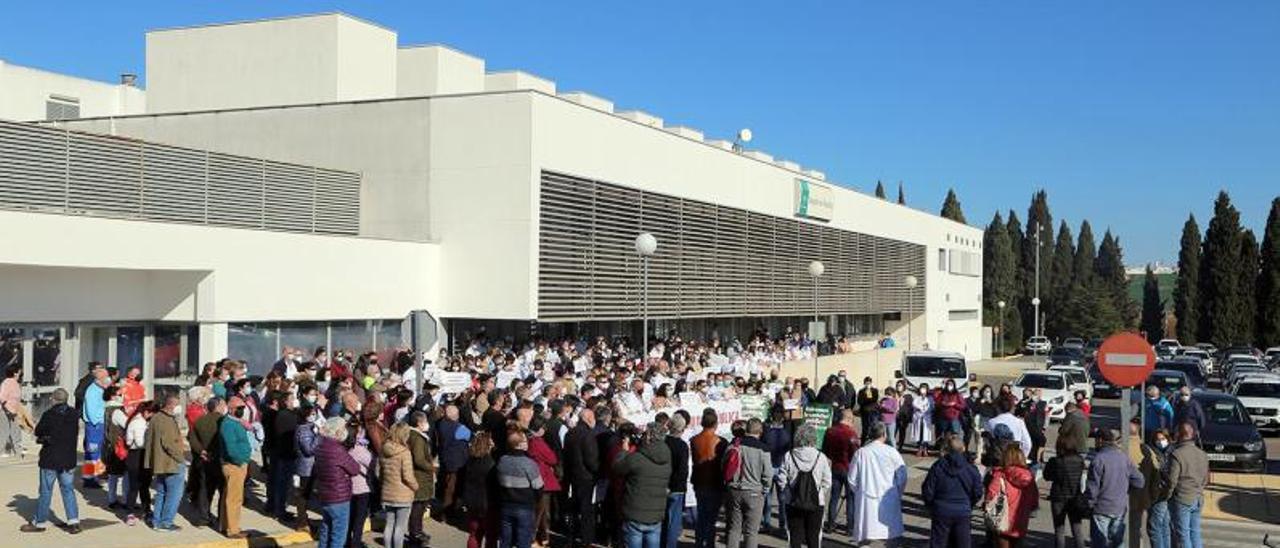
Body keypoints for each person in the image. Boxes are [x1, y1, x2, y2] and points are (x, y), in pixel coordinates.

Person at [21, 388, 81, 534]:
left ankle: (40, 522)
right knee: (68, 489)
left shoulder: (49, 414)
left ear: (54, 399)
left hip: (50, 458)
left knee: (46, 491)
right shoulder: (74, 414)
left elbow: (38, 431)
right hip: (68, 458)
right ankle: (74, 522)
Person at [615, 422, 673, 548]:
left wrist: (624, 451)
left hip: (635, 514)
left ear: (648, 436)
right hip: (655, 515)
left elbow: (617, 468)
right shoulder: (667, 458)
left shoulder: (636, 458)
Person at [847, 422, 907, 544]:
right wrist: (898, 492)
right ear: (884, 434)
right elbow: (902, 476)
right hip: (888, 496)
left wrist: (860, 491)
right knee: (889, 531)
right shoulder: (892, 452)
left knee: (866, 531)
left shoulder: (861, 453)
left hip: (867, 497)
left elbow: (852, 479)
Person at [774, 424, 831, 548]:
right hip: (816, 502)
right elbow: (827, 481)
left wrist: (787, 492)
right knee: (813, 537)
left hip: (793, 500)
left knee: (795, 537)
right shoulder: (820, 457)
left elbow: (781, 478)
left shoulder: (789, 455)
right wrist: (819, 492)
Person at [1086, 428, 1144, 548]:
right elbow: (1139, 481)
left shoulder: (1098, 460)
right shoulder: (1124, 458)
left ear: (1100, 440)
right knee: (1118, 542)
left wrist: (1089, 504)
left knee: (1100, 543)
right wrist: (1125, 491)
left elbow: (1093, 488)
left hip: (1101, 508)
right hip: (1119, 507)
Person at [921, 434, 982, 548]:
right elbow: (977, 492)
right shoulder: (970, 468)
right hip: (962, 510)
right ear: (963, 448)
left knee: (938, 543)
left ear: (947, 449)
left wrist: (932, 506)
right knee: (962, 543)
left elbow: (928, 490)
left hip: (941, 509)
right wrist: (969, 504)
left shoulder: (938, 466)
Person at [314, 417, 362, 548]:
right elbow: (355, 469)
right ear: (338, 432)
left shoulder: (320, 446)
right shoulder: (338, 450)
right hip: (339, 497)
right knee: (338, 536)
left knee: (326, 530)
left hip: (325, 495)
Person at [725, 418, 772, 548]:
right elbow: (768, 474)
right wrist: (766, 488)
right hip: (754, 492)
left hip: (734, 489)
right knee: (751, 532)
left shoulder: (734, 445)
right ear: (760, 431)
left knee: (734, 529)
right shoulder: (764, 450)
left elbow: (723, 465)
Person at [1161, 422, 1208, 548]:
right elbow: (1205, 479)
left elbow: (1172, 480)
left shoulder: (1177, 454)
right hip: (1198, 497)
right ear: (1192, 435)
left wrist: (1167, 495)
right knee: (1195, 533)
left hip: (1182, 498)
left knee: (1183, 535)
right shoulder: (1202, 454)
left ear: (1179, 435)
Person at [144, 394, 187, 532]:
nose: (179, 407)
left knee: (162, 492)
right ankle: (166, 522)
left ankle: (157, 521)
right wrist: (181, 459)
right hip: (171, 463)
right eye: (177, 404)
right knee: (173, 494)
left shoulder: (156, 418)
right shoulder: (167, 420)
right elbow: (170, 444)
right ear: (171, 405)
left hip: (160, 463)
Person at [985, 445, 1039, 548]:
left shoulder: (1000, 475)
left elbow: (992, 494)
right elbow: (1034, 499)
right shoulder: (1029, 477)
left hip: (1002, 520)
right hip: (1021, 521)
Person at [497, 430, 544, 548]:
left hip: (506, 505)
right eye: (524, 440)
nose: (527, 442)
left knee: (505, 541)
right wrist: (536, 500)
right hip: (525, 506)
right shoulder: (529, 463)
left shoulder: (502, 460)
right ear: (519, 445)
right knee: (523, 541)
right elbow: (539, 487)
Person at [690, 408, 727, 548]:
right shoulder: (720, 442)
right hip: (714, 483)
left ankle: (699, 543)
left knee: (702, 515)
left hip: (700, 482)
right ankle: (708, 544)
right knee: (711, 518)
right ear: (716, 424)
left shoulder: (694, 440)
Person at [188, 396, 226, 527]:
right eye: (223, 405)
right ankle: (222, 519)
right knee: (223, 491)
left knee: (205, 490)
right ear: (218, 406)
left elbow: (191, 438)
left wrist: (201, 451)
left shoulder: (200, 421)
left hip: (205, 460)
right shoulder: (223, 421)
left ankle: (203, 518)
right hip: (220, 460)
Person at [1044, 435, 1087, 548]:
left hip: (1058, 497)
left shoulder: (1055, 461)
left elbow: (1046, 476)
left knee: (1059, 529)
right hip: (1075, 497)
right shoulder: (1080, 461)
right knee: (1077, 528)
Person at [219, 397, 253, 539]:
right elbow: (231, 448)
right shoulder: (228, 425)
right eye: (239, 408)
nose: (241, 411)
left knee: (229, 495)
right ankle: (233, 530)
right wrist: (241, 461)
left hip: (236, 464)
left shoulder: (234, 422)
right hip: (234, 465)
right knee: (234, 498)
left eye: (243, 408)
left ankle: (225, 525)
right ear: (231, 409)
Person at [382, 423, 420, 548]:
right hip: (403, 494)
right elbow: (408, 476)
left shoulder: (384, 449)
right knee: (400, 527)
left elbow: (379, 472)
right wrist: (416, 486)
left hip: (387, 492)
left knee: (389, 524)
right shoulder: (405, 452)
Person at [821, 409, 859, 533]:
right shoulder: (851, 433)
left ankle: (831, 524)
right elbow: (856, 454)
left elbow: (825, 450)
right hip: (848, 468)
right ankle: (850, 527)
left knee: (834, 497)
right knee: (850, 498)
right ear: (848, 419)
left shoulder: (830, 431)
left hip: (835, 467)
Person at [526, 418, 561, 548]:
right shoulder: (537, 442)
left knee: (540, 511)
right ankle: (536, 538)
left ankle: (543, 538)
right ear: (539, 429)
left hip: (534, 477)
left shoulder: (528, 439)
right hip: (542, 478)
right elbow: (552, 458)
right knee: (542, 511)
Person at [433, 404, 471, 519]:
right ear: (456, 416)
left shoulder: (441, 424)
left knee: (446, 485)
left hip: (445, 459)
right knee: (451, 489)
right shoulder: (460, 428)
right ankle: (447, 513)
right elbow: (471, 436)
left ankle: (447, 509)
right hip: (457, 463)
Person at [1137, 425, 1171, 548]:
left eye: (1163, 439)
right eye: (1158, 439)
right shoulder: (1156, 451)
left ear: (1167, 438)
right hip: (1163, 493)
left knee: (1155, 527)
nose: (1160, 441)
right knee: (1163, 526)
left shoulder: (1169, 452)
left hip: (1160, 494)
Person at [406, 411, 436, 546]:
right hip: (420, 477)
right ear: (419, 423)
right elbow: (419, 459)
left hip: (420, 477)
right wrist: (431, 467)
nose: (427, 424)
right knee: (418, 507)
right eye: (425, 421)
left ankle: (417, 531)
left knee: (420, 506)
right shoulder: (417, 438)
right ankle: (415, 533)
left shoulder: (415, 435)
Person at [461, 432, 495, 548]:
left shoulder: (470, 461)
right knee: (490, 536)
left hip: (472, 502)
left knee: (474, 534)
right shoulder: (490, 464)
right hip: (486, 504)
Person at [759, 410, 790, 535]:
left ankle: (766, 523)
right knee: (782, 499)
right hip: (782, 466)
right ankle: (783, 525)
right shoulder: (786, 434)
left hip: (769, 466)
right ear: (782, 419)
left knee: (767, 497)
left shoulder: (767, 434)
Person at [124, 401, 156, 525]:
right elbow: (139, 442)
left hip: (137, 456)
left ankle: (144, 509)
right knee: (137, 486)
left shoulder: (138, 420)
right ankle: (131, 512)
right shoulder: (139, 423)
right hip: (137, 455)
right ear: (147, 412)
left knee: (142, 486)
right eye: (152, 414)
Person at [662, 414, 690, 548]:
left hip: (663, 485)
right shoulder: (682, 446)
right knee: (673, 522)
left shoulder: (663, 441)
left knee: (662, 520)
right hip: (675, 489)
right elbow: (682, 471)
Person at [348, 424, 374, 548]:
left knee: (350, 517)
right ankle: (356, 542)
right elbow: (371, 466)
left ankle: (347, 541)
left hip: (349, 488)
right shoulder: (361, 450)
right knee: (359, 519)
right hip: (362, 489)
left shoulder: (346, 448)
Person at [81, 370, 109, 488]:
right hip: (95, 425)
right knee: (93, 453)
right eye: (105, 378)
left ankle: (91, 476)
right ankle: (92, 478)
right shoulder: (92, 391)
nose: (107, 380)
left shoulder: (99, 389)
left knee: (93, 454)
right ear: (99, 379)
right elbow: (92, 412)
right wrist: (98, 421)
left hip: (98, 425)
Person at [1, 365, 27, 457]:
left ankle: (19, 452)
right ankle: (3, 452)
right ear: (15, 373)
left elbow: (14, 397)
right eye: (20, 371)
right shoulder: (7, 382)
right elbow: (2, 398)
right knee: (4, 432)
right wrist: (7, 411)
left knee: (16, 431)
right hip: (6, 412)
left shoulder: (16, 383)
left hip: (14, 412)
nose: (21, 372)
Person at [1018, 388, 1047, 466]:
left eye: (1039, 394)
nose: (1037, 396)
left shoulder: (1043, 403)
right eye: (1035, 394)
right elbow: (1022, 412)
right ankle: (1030, 458)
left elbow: (1046, 415)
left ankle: (1038, 459)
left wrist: (1044, 427)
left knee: (1041, 441)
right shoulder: (1027, 403)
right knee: (1031, 442)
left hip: (1039, 426)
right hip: (1029, 426)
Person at [907, 384, 934, 457]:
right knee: (919, 434)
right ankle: (919, 449)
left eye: (924, 388)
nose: (923, 390)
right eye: (922, 388)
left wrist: (925, 410)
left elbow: (931, 407)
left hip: (926, 418)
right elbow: (914, 404)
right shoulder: (917, 397)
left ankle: (925, 449)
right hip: (918, 418)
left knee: (925, 435)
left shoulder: (930, 398)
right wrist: (919, 408)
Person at [855, 377, 880, 442]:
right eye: (866, 383)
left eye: (869, 383)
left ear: (871, 383)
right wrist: (865, 395)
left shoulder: (875, 390)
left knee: (873, 427)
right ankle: (863, 442)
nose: (868, 384)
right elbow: (860, 401)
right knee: (865, 428)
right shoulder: (861, 391)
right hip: (864, 412)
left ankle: (873, 441)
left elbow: (874, 400)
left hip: (873, 412)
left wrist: (868, 395)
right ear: (864, 383)